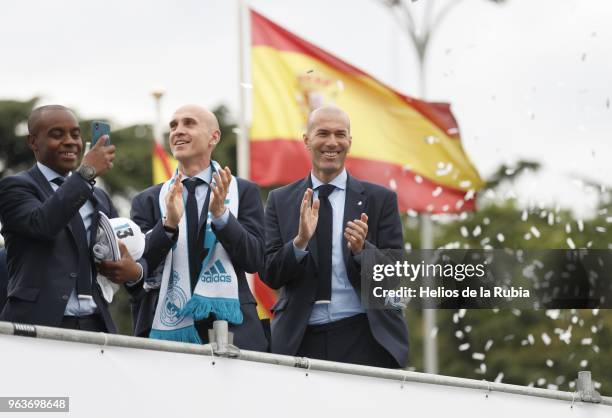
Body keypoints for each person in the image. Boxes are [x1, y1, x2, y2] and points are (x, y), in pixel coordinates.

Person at [263, 105, 409, 368]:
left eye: (340, 135)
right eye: (323, 133)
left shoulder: (381, 200)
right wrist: (299, 243)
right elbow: (270, 273)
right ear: (306, 140)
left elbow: (394, 276)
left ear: (349, 142)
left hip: (365, 337)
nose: (332, 142)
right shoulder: (280, 200)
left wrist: (361, 251)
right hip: (300, 339)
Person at [130, 104, 268, 351]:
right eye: (173, 126)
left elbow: (255, 259)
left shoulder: (242, 191)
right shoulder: (149, 199)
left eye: (189, 123)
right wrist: (168, 226)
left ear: (214, 137)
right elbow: (138, 268)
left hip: (230, 325)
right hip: (165, 324)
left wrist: (222, 216)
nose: (178, 131)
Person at [0, 105, 145, 332]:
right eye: (57, 135)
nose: (70, 141)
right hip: (37, 324)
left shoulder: (97, 196)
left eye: (75, 135)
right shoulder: (15, 187)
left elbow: (120, 248)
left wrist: (131, 269)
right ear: (33, 142)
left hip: (96, 323)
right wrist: (86, 173)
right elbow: (43, 225)